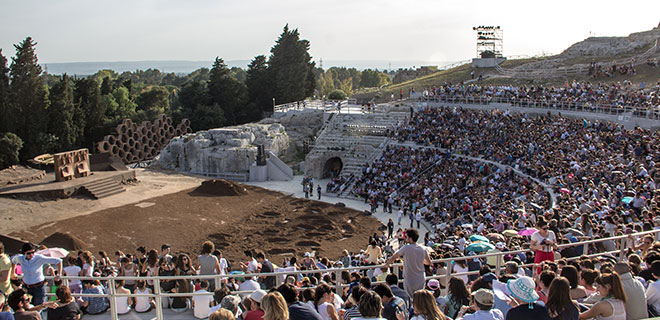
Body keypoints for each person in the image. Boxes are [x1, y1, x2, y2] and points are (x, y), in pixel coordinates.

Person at [385, 229, 432, 297]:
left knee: (410, 297)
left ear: (410, 238)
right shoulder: (423, 249)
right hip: (420, 278)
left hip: (410, 278)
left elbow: (394, 256)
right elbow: (429, 262)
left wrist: (387, 263)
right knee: (419, 298)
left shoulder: (406, 248)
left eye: (406, 237)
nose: (405, 238)